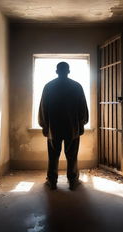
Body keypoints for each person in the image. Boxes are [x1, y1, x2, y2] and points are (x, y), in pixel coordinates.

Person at [38, 62, 89, 190]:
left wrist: (44, 125)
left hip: (54, 128)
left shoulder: (49, 86)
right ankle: (72, 180)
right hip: (72, 127)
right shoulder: (76, 86)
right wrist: (82, 124)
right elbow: (82, 107)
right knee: (72, 156)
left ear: (56, 71)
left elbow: (43, 108)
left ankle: (52, 181)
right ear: (68, 71)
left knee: (53, 155)